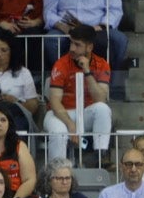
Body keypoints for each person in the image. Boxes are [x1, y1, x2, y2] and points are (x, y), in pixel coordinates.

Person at [42, 24, 112, 162]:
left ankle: (101, 156)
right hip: (60, 114)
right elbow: (54, 102)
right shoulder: (61, 64)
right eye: (71, 43)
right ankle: (56, 171)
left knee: (103, 109)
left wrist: (87, 71)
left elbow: (100, 98)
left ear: (89, 47)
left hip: (85, 113)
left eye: (77, 45)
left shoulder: (102, 64)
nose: (72, 48)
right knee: (59, 132)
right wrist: (69, 124)